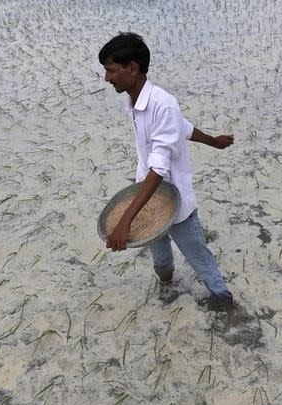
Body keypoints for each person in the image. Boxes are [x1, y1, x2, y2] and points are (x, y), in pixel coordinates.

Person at [98, 32, 234, 309]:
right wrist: (214, 142)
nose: (107, 78)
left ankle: (224, 300)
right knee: (161, 262)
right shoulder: (133, 102)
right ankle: (167, 290)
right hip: (147, 200)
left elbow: (159, 169)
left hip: (175, 203)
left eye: (110, 70)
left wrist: (125, 221)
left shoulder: (163, 104)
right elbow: (183, 129)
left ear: (132, 68)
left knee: (200, 259)